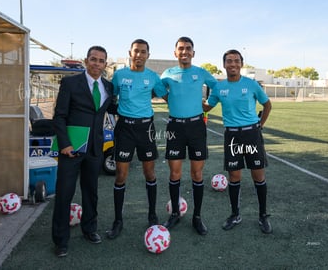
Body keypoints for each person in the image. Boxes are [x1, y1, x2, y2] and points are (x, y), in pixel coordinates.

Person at [52, 46, 117, 257]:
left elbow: (112, 109)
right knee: (64, 194)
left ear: (105, 64)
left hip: (95, 149)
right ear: (86, 61)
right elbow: (59, 115)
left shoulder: (108, 87)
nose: (97, 63)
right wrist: (65, 144)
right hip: (71, 149)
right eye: (93, 59)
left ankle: (89, 230)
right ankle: (61, 241)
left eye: (101, 60)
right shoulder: (70, 83)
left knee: (91, 193)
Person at [203, 49, 273, 234]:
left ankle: (263, 215)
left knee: (258, 176)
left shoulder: (251, 84)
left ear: (241, 64)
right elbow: (207, 106)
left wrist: (261, 124)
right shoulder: (219, 88)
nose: (232, 64)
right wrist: (188, 96)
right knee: (234, 177)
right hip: (232, 136)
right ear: (224, 64)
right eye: (229, 61)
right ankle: (235, 214)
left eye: (236, 61)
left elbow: (267, 105)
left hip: (251, 134)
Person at [106, 39, 165, 239]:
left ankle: (152, 214)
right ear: (129, 53)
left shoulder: (153, 77)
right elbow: (110, 99)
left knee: (149, 173)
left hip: (146, 128)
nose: (139, 55)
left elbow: (167, 96)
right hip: (125, 129)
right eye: (136, 51)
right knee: (121, 175)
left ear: (148, 55)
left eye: (143, 52)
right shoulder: (120, 75)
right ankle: (118, 220)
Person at [161, 36, 217, 235]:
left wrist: (209, 104)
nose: (184, 52)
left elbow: (216, 87)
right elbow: (160, 90)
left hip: (196, 127)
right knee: (174, 172)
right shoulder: (167, 74)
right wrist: (173, 100)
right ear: (175, 52)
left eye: (188, 49)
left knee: (197, 173)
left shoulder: (200, 72)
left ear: (193, 53)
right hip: (175, 127)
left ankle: (197, 217)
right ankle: (175, 213)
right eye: (181, 49)